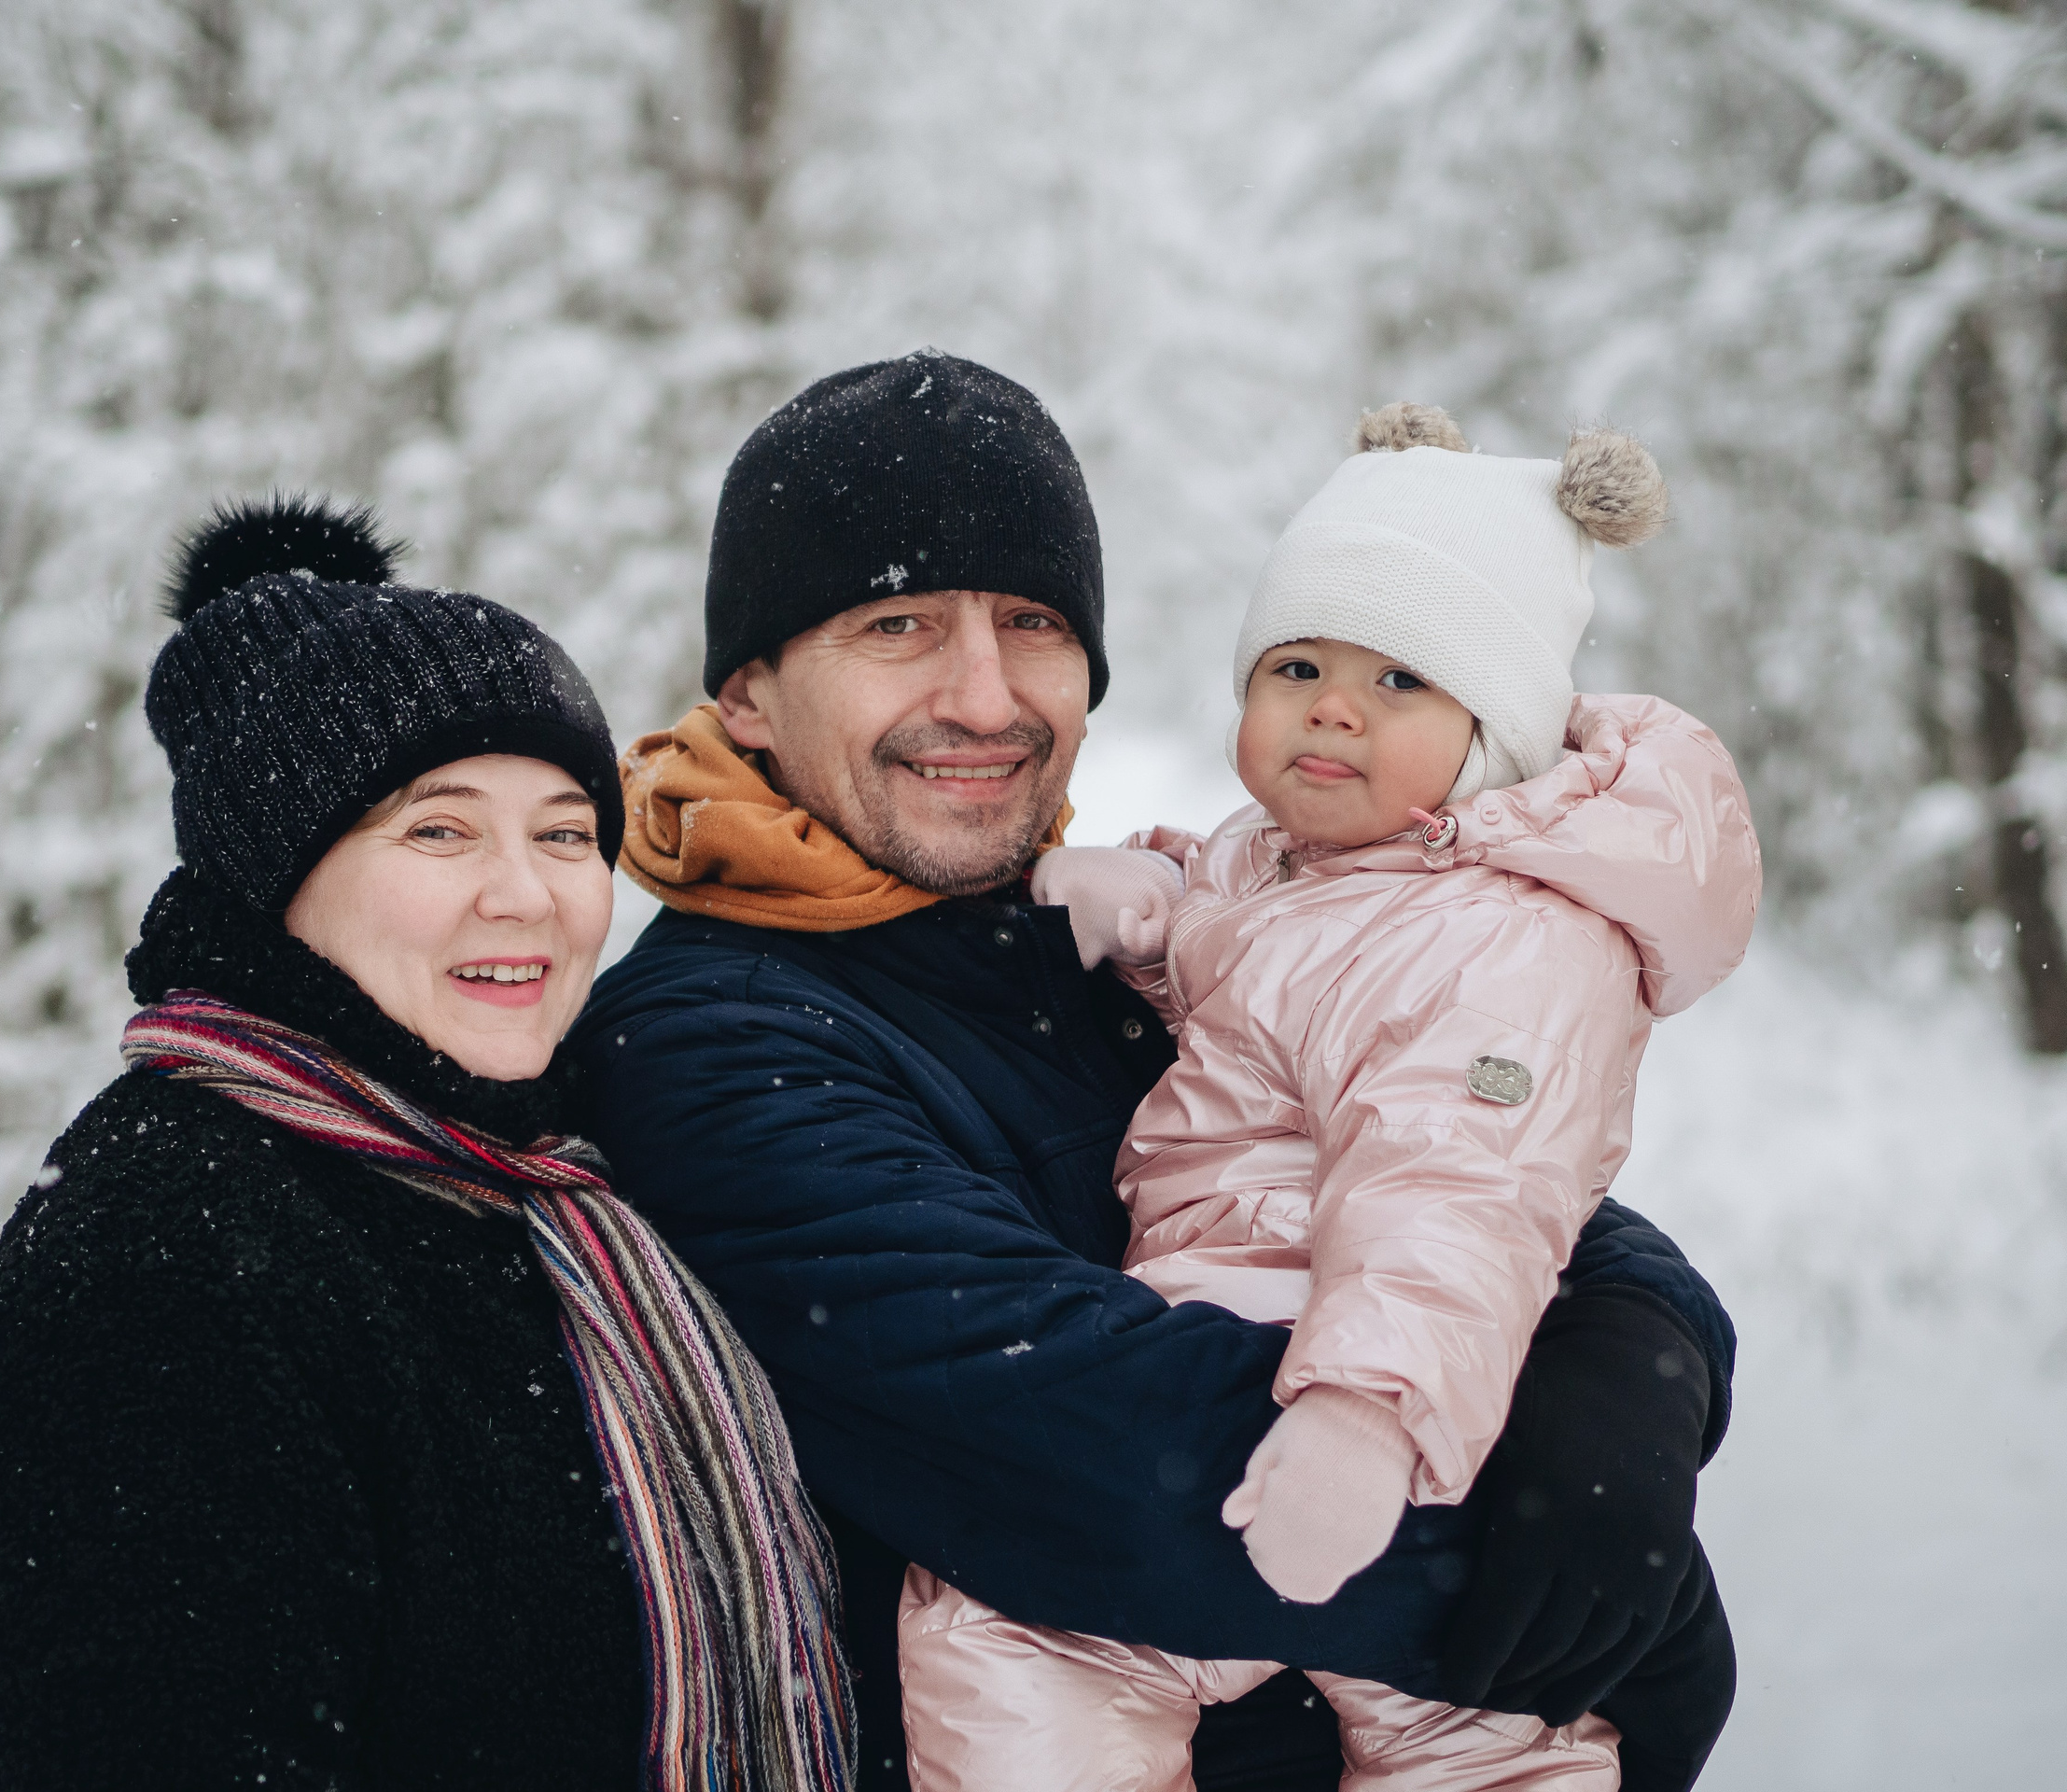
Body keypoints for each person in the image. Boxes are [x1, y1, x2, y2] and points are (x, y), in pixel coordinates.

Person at [570, 352, 1740, 1790]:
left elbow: (1461, 1153)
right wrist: (1606, 1581)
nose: (985, 697)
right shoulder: (711, 1043)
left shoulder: (1107, 937)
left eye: (1032, 625)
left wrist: (1637, 1359)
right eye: (897, 625)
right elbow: (1105, 1457)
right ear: (750, 693)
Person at [0, 497, 852, 1792]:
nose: (526, 894)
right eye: (438, 829)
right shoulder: (173, 1269)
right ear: (281, 876)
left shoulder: (544, 1197)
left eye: (566, 832)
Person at [901, 403, 1751, 1791]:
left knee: (1468, 1738)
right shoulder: (1287, 864)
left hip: (1376, 1411)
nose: (1334, 706)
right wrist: (1154, 905)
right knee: (1008, 1645)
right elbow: (1269, 1005)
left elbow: (1461, 1185)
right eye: (1296, 665)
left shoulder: (1504, 937)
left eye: (1403, 679)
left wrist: (1368, 1413)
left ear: (1494, 737)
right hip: (1247, 1351)